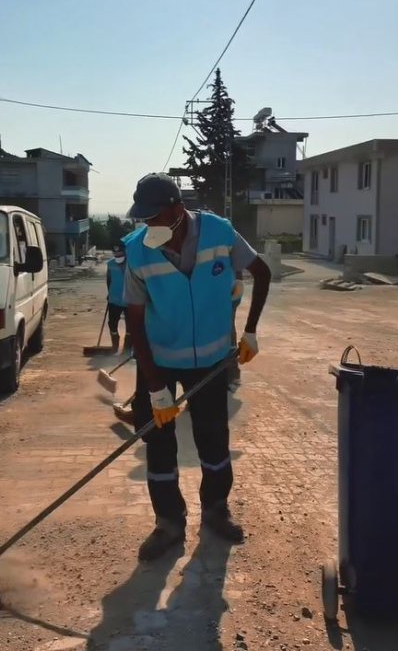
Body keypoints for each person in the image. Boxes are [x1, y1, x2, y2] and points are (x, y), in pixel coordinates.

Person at [123, 172, 271, 561]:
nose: (147, 225)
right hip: (160, 361)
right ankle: (168, 523)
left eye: (153, 216)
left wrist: (250, 332)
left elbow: (262, 273)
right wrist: (154, 387)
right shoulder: (138, 251)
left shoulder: (219, 232)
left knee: (212, 439)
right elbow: (135, 322)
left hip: (211, 359)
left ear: (175, 208)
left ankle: (216, 510)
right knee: (158, 443)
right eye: (143, 218)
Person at [106, 241, 132, 354]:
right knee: (112, 324)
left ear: (125, 252)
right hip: (114, 299)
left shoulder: (131, 264)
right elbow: (108, 280)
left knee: (131, 326)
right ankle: (115, 346)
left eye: (120, 254)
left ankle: (127, 349)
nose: (118, 256)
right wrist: (109, 293)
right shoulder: (110, 264)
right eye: (115, 254)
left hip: (130, 300)